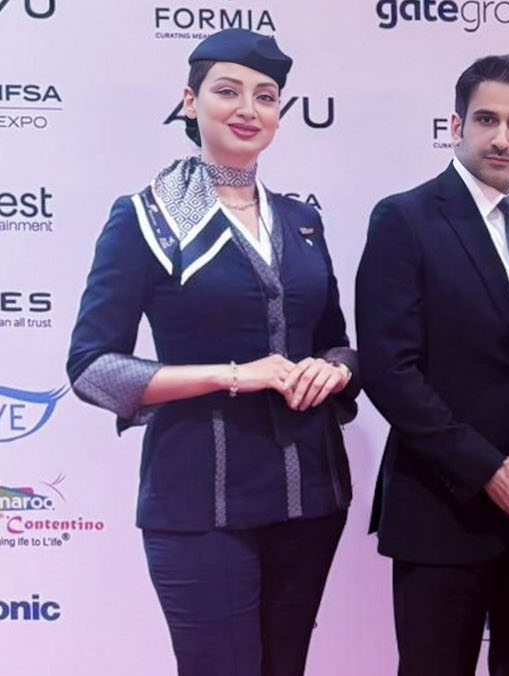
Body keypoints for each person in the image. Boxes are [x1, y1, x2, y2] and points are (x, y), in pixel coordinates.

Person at [66, 29, 358, 676]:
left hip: (310, 497)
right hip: (199, 501)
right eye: (228, 91)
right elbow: (92, 368)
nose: (248, 109)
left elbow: (338, 342)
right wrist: (233, 375)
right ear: (190, 102)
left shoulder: (302, 221)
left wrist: (334, 368)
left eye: (266, 96)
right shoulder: (145, 219)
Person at [355, 54, 509, 676]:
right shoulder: (404, 219)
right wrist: (486, 468)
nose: (501, 138)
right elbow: (389, 369)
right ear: (455, 125)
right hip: (443, 506)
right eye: (486, 119)